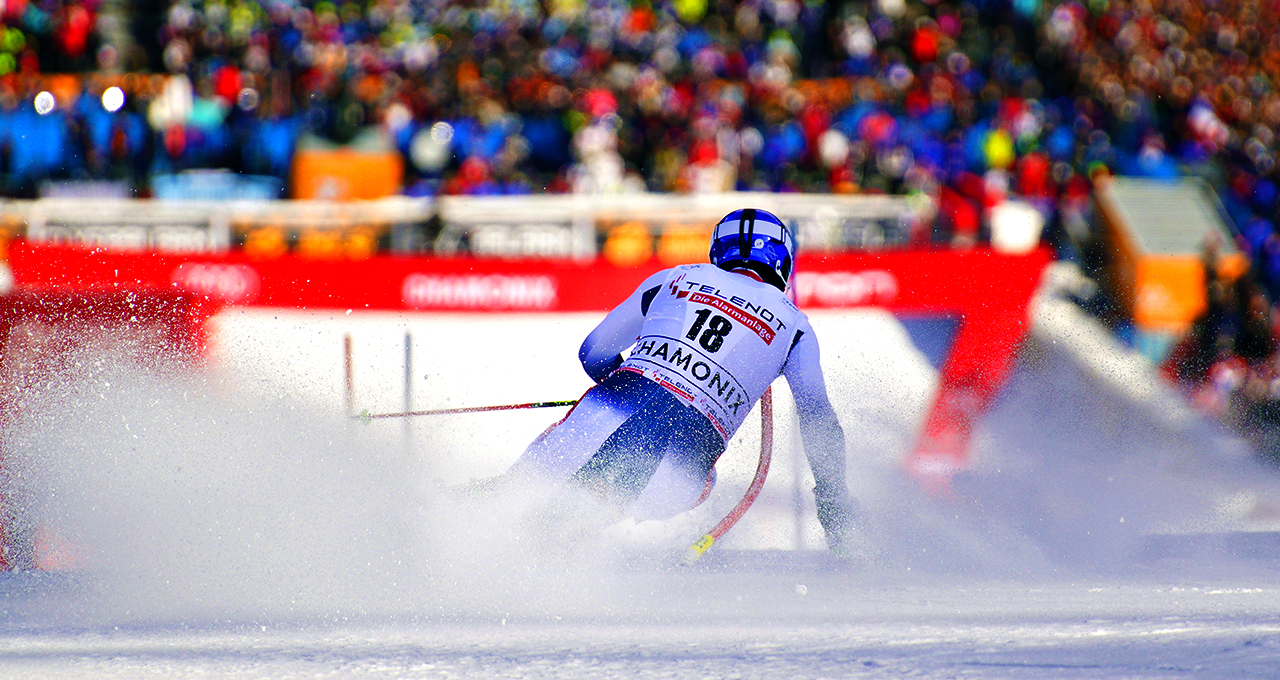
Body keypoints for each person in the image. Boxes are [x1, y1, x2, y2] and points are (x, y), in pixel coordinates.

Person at [507, 208, 860, 551]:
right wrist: (833, 502)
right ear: (781, 262)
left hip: (595, 425)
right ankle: (574, 527)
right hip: (676, 478)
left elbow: (594, 352)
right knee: (686, 474)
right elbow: (819, 421)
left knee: (533, 482)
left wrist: (627, 382)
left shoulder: (674, 277)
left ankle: (499, 500)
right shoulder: (795, 325)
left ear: (717, 251)